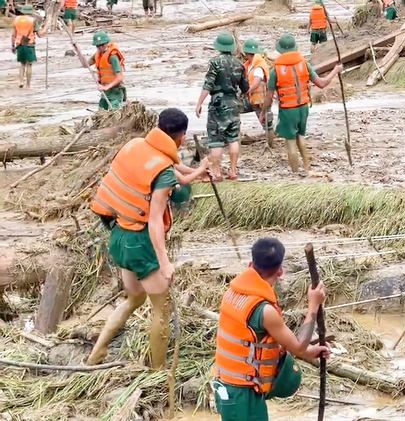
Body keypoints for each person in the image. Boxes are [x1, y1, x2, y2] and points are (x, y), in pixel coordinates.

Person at [86, 108, 210, 368]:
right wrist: (165, 263)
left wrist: (198, 172)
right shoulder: (163, 174)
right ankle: (157, 370)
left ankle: (96, 353)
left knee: (134, 298)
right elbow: (154, 222)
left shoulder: (137, 145)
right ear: (182, 136)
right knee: (162, 309)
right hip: (139, 243)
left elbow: (170, 165)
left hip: (118, 236)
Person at [212, 238, 330, 421]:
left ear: (251, 264)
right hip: (244, 394)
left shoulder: (233, 293)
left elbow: (256, 342)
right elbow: (297, 346)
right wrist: (313, 305)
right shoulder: (264, 310)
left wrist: (309, 351)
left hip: (226, 386)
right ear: (280, 271)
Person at [260, 34, 343, 173]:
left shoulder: (275, 71)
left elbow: (268, 97)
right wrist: (335, 70)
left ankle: (295, 172)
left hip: (288, 110)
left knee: (290, 142)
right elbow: (322, 83)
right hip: (303, 107)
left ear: (280, 51)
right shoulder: (304, 64)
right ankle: (306, 165)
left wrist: (263, 112)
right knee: (300, 137)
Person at [196, 33, 249, 181]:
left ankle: (216, 172)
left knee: (216, 139)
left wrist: (199, 102)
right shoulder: (239, 63)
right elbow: (245, 87)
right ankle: (233, 171)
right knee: (233, 138)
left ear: (218, 47)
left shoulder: (214, 62)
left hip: (218, 104)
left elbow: (208, 85)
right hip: (234, 104)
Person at [242, 39, 275, 146]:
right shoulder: (250, 64)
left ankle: (270, 144)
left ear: (247, 53)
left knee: (267, 123)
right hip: (254, 99)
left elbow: (256, 82)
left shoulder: (258, 66)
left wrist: (246, 91)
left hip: (261, 99)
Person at [12, 5, 46, 89]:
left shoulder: (17, 20)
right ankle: (28, 85)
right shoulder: (33, 21)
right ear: (31, 12)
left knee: (22, 64)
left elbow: (13, 34)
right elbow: (40, 35)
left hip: (19, 43)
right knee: (29, 64)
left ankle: (20, 81)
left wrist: (12, 45)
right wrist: (46, 28)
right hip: (29, 44)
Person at [89, 32, 126, 110]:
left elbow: (120, 78)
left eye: (102, 45)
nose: (100, 47)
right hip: (105, 91)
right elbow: (86, 64)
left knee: (114, 111)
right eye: (97, 46)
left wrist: (107, 87)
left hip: (115, 91)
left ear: (106, 44)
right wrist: (76, 48)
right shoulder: (98, 54)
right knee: (101, 110)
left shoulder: (112, 57)